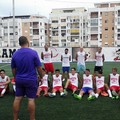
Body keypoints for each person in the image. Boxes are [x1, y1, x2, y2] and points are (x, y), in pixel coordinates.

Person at [11, 36, 43, 120]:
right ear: (27, 42)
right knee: (31, 99)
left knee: (17, 98)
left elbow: (13, 69)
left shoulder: (15, 54)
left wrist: (16, 77)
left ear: (19, 43)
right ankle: (32, 119)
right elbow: (39, 68)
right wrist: (42, 76)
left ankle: (15, 118)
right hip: (31, 79)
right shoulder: (33, 53)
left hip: (19, 79)